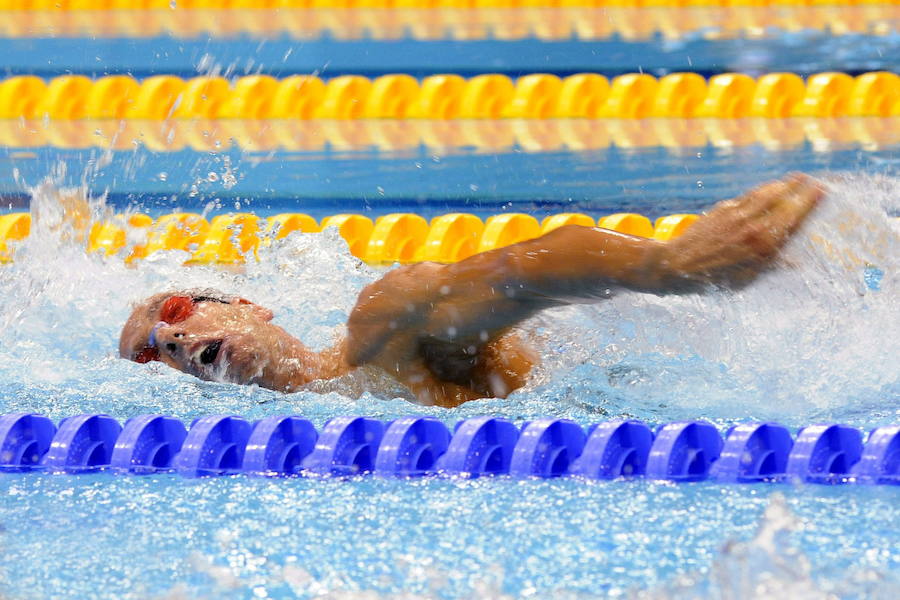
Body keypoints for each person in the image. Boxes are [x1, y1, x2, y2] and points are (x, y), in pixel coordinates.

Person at [119, 173, 824, 407]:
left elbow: (534, 264)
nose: (175, 340)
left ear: (250, 306)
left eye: (176, 311)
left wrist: (672, 266)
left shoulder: (380, 331)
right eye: (158, 354)